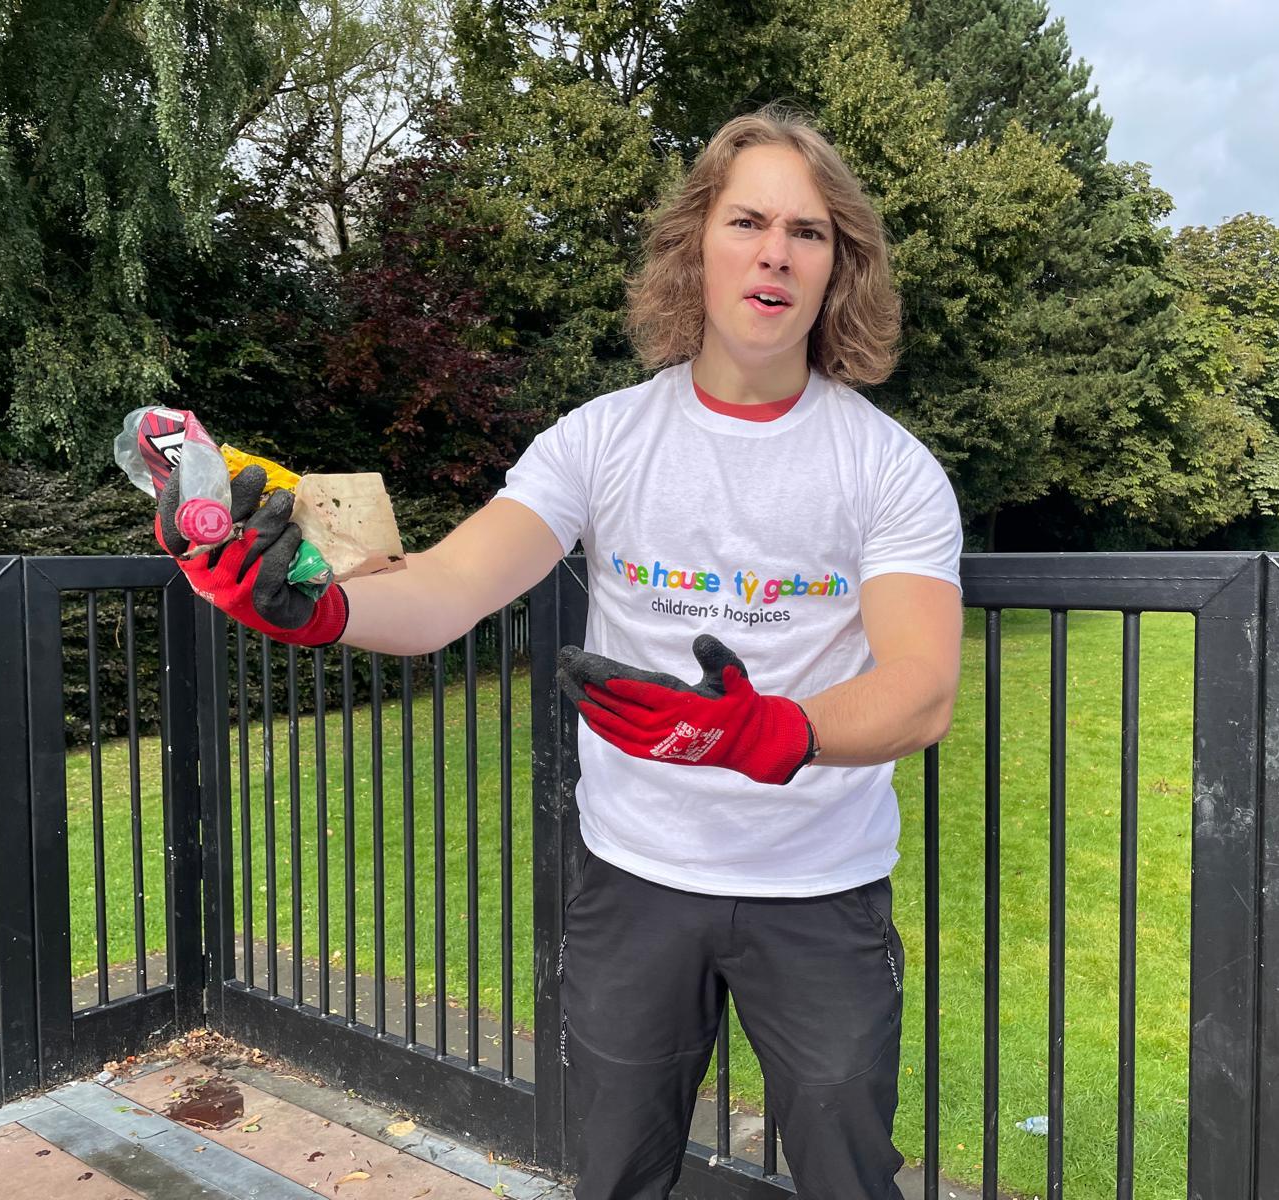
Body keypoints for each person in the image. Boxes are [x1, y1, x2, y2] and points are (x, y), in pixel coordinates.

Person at [155, 103, 963, 1199]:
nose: (775, 251)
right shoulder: (600, 440)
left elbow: (919, 692)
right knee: (615, 1173)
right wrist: (316, 611)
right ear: (696, 248)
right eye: (747, 222)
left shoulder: (888, 467)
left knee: (848, 1174)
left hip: (817, 891)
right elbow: (443, 590)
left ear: (837, 268)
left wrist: (773, 731)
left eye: (808, 232)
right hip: (632, 883)